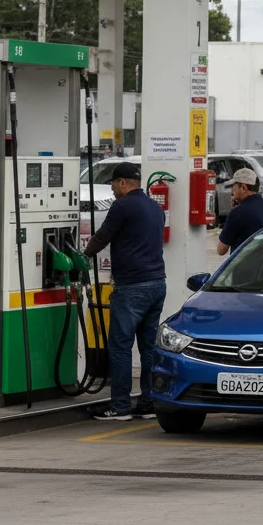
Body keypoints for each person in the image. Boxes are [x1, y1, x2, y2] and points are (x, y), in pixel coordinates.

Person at [83, 162, 167, 421]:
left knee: (120, 346)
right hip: (157, 283)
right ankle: (148, 402)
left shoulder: (122, 206)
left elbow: (102, 236)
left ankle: (119, 407)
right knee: (148, 348)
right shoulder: (155, 206)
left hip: (131, 287)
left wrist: (82, 255)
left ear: (122, 182)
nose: (111, 188)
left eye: (112, 183)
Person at [217, 168, 263, 256]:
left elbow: (221, 250)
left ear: (243, 188)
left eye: (234, 188)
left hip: (245, 266)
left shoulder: (238, 213)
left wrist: (234, 212)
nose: (233, 192)